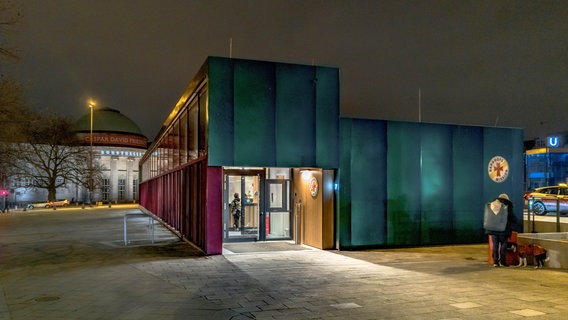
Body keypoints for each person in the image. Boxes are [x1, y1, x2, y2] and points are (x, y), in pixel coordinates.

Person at [483, 193, 517, 267]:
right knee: (503, 245)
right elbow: (512, 217)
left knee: (495, 245)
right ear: (507, 199)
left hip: (493, 229)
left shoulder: (492, 204)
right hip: (503, 229)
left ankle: (495, 262)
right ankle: (503, 261)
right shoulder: (507, 205)